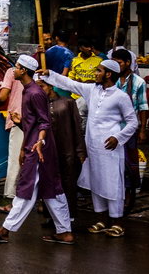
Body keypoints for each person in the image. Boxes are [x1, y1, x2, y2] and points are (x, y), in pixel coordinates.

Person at [39, 58, 138, 238]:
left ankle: (117, 222)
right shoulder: (92, 90)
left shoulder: (121, 96)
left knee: (113, 183)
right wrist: (50, 75)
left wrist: (118, 137)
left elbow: (133, 122)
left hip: (111, 147)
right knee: (96, 181)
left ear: (108, 74)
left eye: (99, 71)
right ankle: (101, 219)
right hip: (93, 146)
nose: (95, 73)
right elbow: (71, 84)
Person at [0, 55, 74, 245]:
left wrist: (38, 142)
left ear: (23, 70)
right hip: (34, 145)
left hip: (39, 148)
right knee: (51, 190)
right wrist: (21, 123)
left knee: (27, 189)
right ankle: (64, 232)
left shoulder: (35, 93)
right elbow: (33, 124)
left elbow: (44, 123)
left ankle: (6, 230)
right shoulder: (28, 91)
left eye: (16, 67)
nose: (13, 70)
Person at [38, 78, 86, 217]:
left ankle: (69, 215)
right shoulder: (40, 105)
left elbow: (77, 127)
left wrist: (80, 150)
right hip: (48, 150)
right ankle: (51, 216)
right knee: (49, 182)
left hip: (67, 149)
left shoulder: (68, 102)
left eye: (42, 86)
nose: (40, 91)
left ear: (51, 86)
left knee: (68, 183)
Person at [114, 48, 148, 214]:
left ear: (128, 63)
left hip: (129, 129)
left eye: (119, 63)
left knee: (130, 163)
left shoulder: (139, 83)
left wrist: (142, 129)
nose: (117, 66)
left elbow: (143, 107)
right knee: (114, 163)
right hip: (111, 128)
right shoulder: (112, 81)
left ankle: (129, 194)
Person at [0, 60, 25, 214]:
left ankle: (12, 201)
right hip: (33, 122)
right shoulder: (39, 72)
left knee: (15, 161)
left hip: (18, 120)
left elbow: (2, 96)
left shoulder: (11, 72)